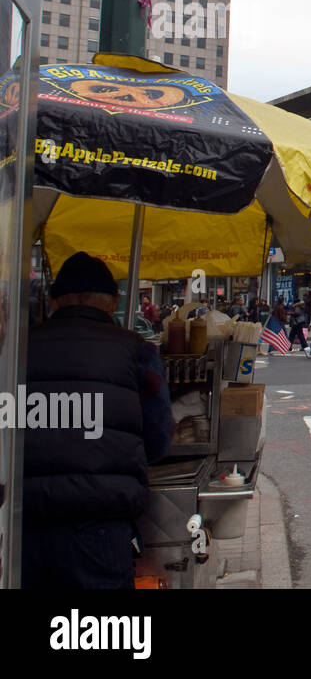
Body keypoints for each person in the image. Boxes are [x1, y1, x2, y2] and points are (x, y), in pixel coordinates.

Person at [23, 252, 174, 589]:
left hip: (25, 525)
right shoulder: (136, 351)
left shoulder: (19, 349)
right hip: (101, 525)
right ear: (113, 301)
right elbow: (159, 438)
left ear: (53, 300)